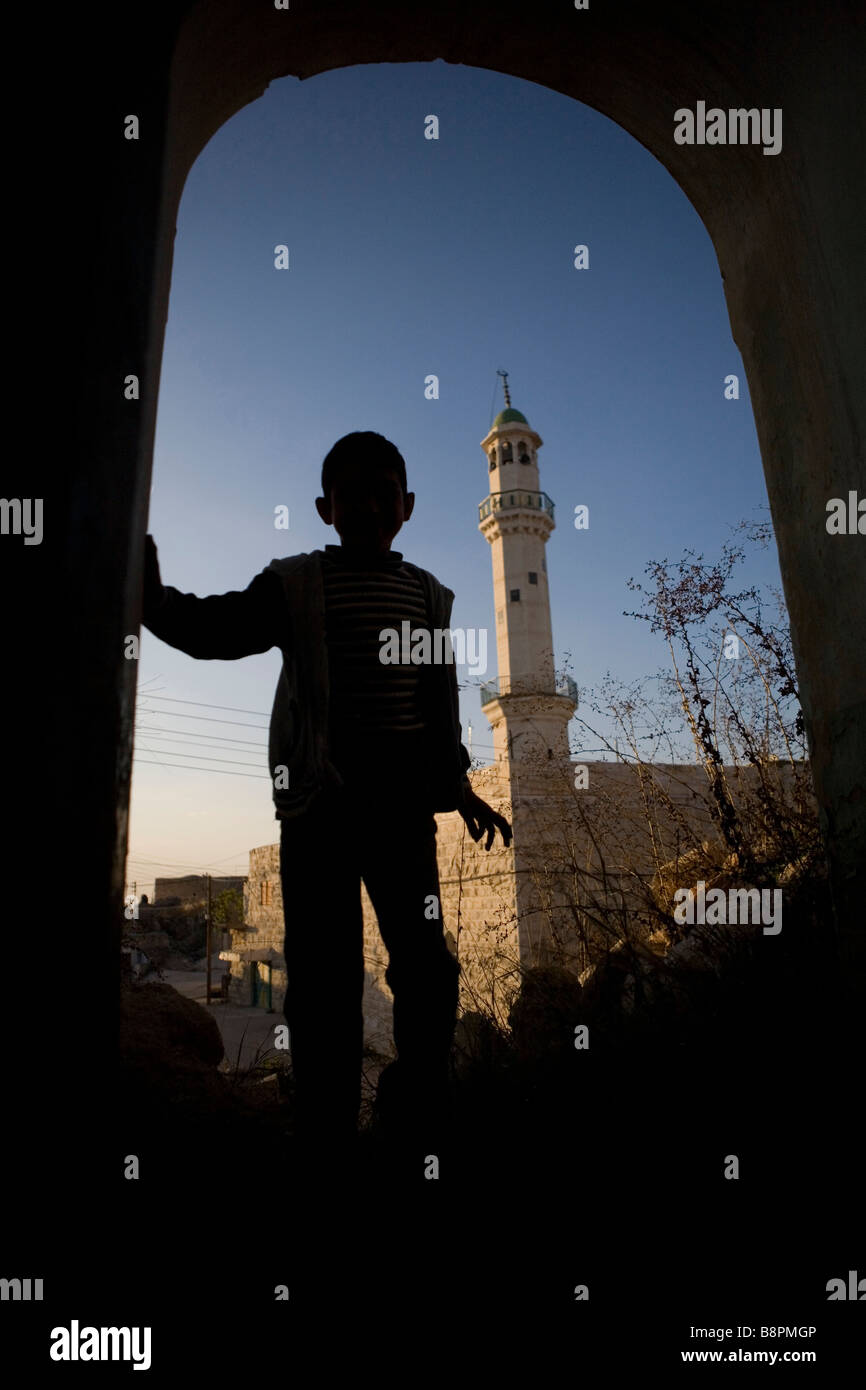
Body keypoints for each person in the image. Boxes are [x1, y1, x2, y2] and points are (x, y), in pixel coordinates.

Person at [142, 431, 511, 1180]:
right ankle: (327, 1141)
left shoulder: (428, 598)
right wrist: (152, 602)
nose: (371, 507)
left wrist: (459, 787)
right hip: (320, 814)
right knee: (326, 983)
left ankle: (415, 1119)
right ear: (324, 507)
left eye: (385, 494)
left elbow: (437, 713)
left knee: (427, 970)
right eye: (354, 495)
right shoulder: (297, 585)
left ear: (406, 507)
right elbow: (219, 628)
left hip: (406, 818)